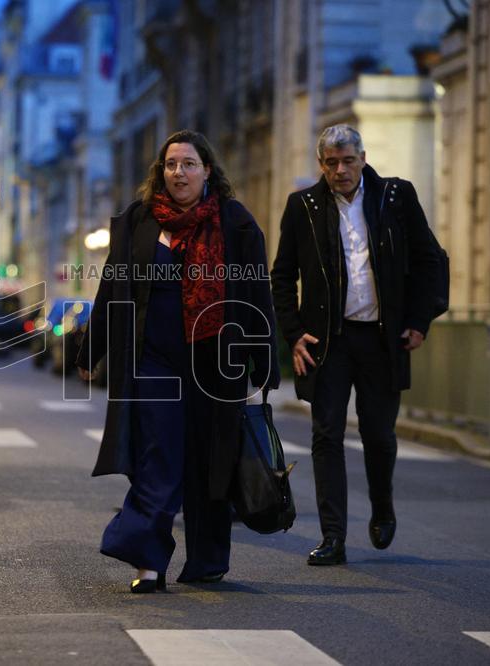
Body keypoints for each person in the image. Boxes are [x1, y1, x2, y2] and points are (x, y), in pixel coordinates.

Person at [77, 130, 280, 593]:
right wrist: (92, 350)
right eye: (171, 165)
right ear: (160, 172)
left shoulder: (235, 222)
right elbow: (111, 289)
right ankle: (148, 562)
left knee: (211, 462)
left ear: (207, 170)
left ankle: (206, 561)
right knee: (158, 458)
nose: (179, 172)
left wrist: (262, 362)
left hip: (214, 365)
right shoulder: (139, 221)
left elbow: (256, 295)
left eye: (188, 164)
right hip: (153, 363)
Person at [270, 124, 441, 566]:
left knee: (378, 435)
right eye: (331, 163)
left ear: (363, 158)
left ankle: (382, 506)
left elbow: (430, 261)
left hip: (382, 339)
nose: (341, 170)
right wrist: (293, 333)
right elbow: (283, 276)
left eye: (348, 160)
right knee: (325, 435)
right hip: (329, 341)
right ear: (321, 165)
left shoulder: (396, 197)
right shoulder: (303, 206)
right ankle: (333, 537)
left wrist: (420, 321)